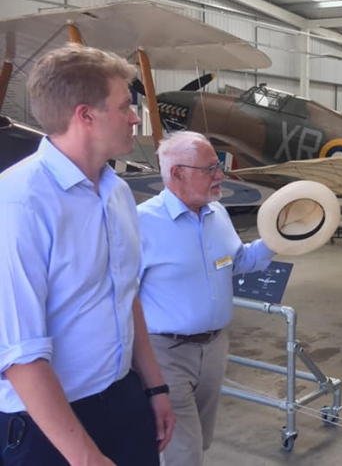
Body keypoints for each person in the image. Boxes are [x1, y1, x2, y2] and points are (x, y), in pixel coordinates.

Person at [0, 43, 175, 466]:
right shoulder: (20, 203)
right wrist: (85, 458)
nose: (136, 117)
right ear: (86, 116)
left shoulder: (116, 192)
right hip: (48, 423)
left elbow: (124, 292)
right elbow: (20, 355)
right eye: (124, 106)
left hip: (122, 398)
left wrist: (154, 387)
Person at [137, 131, 275, 466]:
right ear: (178, 173)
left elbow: (238, 261)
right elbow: (120, 295)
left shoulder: (218, 214)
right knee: (184, 451)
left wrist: (280, 236)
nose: (220, 175)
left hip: (214, 348)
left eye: (219, 166)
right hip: (164, 353)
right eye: (210, 168)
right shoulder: (141, 223)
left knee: (200, 441)